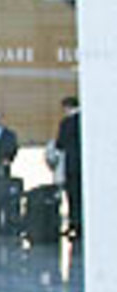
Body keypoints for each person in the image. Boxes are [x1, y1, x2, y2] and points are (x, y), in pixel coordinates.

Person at [55, 95, 82, 238]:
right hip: (82, 165)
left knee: (72, 196)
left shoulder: (66, 123)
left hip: (72, 164)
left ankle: (75, 225)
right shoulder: (85, 120)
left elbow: (60, 144)